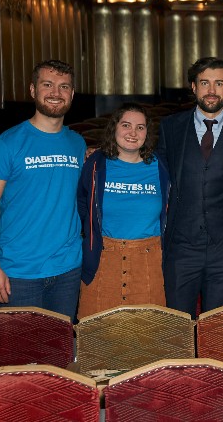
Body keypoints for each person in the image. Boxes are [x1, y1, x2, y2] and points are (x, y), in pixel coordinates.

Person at [0, 60, 86, 322]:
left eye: (64, 86)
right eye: (47, 85)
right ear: (33, 90)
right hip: (19, 272)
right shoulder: (8, 143)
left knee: (59, 355)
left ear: (72, 94)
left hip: (68, 269)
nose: (56, 93)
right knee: (22, 357)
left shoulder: (77, 143)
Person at [155, 57, 223, 318]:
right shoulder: (171, 127)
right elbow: (152, 170)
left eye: (219, 83)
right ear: (193, 86)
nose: (211, 90)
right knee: (177, 329)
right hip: (181, 248)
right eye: (205, 83)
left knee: (218, 331)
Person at [76, 102, 170, 319]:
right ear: (114, 128)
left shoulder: (162, 166)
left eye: (140, 127)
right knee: (99, 336)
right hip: (102, 259)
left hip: (149, 262)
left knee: (148, 337)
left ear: (148, 132)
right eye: (126, 125)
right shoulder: (95, 164)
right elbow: (82, 204)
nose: (133, 133)